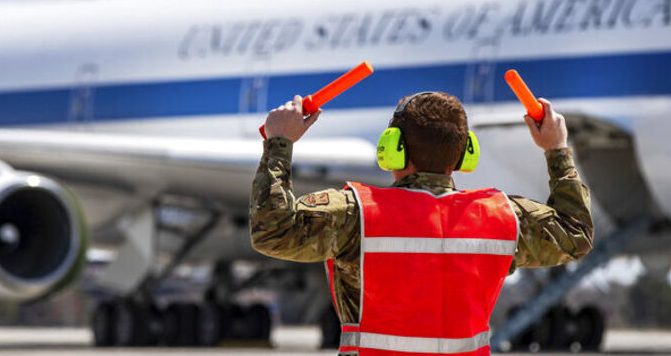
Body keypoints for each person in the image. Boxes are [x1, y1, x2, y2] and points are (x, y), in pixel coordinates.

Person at [250, 91, 593, 354]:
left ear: (393, 149)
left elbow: (274, 231)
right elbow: (575, 233)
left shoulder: (357, 214)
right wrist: (556, 149)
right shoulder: (500, 216)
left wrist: (279, 143)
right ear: (464, 154)